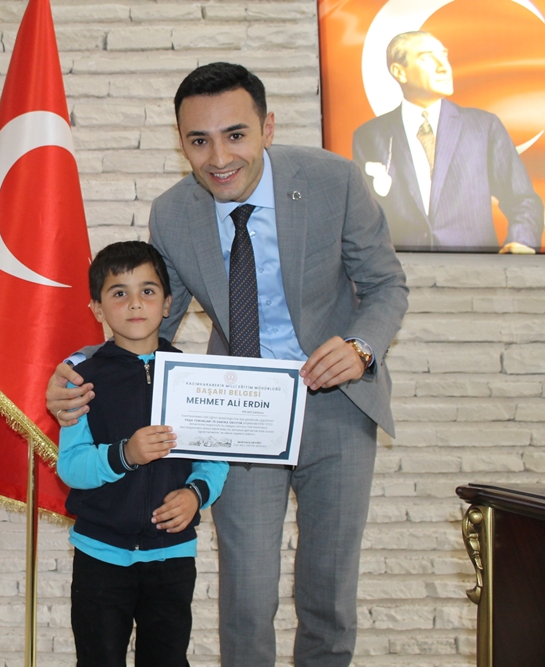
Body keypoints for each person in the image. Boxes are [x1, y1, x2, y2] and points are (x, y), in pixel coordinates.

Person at [47, 63, 409, 667]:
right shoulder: (174, 213)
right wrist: (78, 372)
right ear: (180, 141)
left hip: (337, 407)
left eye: (235, 134)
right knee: (246, 595)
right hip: (237, 417)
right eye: (199, 140)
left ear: (268, 128)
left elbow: (386, 285)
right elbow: (150, 323)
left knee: (328, 592)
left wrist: (361, 348)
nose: (218, 158)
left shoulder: (334, 180)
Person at [59, 241, 228, 667]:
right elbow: (72, 467)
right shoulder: (81, 380)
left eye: (148, 291)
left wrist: (195, 494)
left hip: (172, 557)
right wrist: (125, 455)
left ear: (168, 303)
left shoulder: (197, 378)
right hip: (100, 554)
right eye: (119, 293)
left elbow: (215, 459)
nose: (135, 303)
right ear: (97, 308)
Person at [353, 31, 543, 252]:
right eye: (427, 57)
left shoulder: (483, 126)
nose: (444, 67)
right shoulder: (369, 135)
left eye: (444, 55)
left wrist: (521, 242)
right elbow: (365, 215)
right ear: (399, 72)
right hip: (402, 267)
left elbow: (522, 200)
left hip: (476, 266)